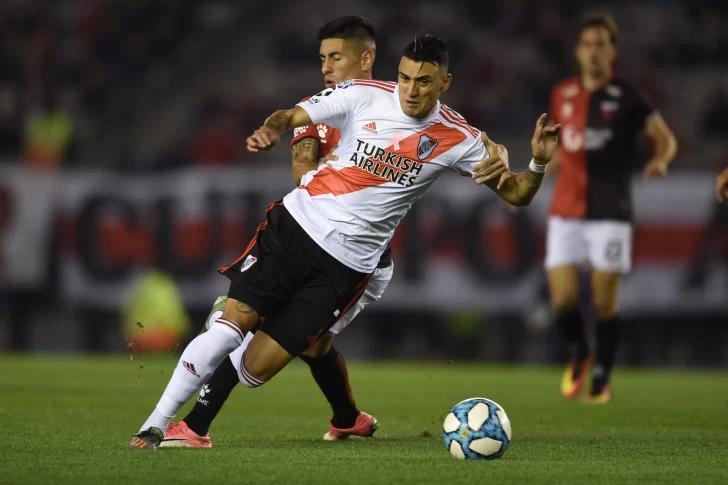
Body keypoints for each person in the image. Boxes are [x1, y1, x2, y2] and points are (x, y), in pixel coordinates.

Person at [130, 34, 560, 450]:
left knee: (255, 369)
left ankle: (325, 402)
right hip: (296, 227)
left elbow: (517, 194)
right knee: (228, 329)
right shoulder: (362, 94)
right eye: (405, 78)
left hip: (347, 267)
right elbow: (289, 116)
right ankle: (158, 427)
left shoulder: (459, 138)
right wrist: (271, 128)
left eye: (424, 81)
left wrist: (538, 162)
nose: (411, 90)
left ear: (444, 83)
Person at [161, 16, 388, 448]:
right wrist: (343, 170)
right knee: (298, 339)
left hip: (361, 260)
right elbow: (302, 169)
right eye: (322, 58)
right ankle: (345, 419)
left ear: (366, 59)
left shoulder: (395, 113)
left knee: (300, 341)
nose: (326, 67)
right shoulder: (314, 110)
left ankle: (196, 425)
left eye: (336, 57)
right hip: (311, 237)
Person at [546, 13, 677, 404]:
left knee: (603, 301)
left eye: (601, 44)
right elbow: (558, 150)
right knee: (562, 300)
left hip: (610, 210)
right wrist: (529, 178)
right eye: (587, 44)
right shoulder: (563, 94)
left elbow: (665, 138)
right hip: (566, 208)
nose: (593, 52)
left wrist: (661, 161)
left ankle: (601, 375)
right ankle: (579, 351)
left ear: (612, 51)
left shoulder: (628, 95)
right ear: (577, 51)